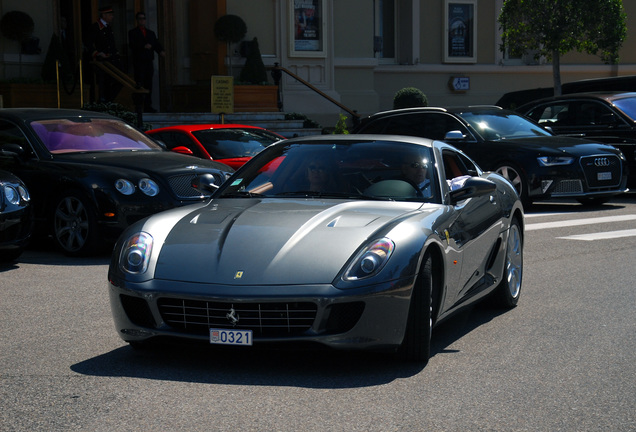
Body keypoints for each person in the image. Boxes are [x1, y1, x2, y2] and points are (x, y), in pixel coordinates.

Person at [128, 11, 165, 113]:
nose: (142, 20)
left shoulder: (150, 33)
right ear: (137, 20)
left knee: (149, 84)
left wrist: (161, 51)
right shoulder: (133, 32)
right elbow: (132, 45)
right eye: (140, 18)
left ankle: (148, 106)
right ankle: (138, 106)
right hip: (139, 62)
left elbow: (155, 43)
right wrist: (143, 46)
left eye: (143, 18)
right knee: (139, 84)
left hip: (148, 61)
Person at [86, 5, 123, 102]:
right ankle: (104, 101)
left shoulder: (108, 28)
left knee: (119, 81)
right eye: (110, 15)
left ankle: (108, 101)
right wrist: (97, 53)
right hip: (102, 62)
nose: (112, 17)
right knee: (104, 82)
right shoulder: (96, 27)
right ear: (104, 15)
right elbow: (88, 43)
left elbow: (111, 45)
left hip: (111, 60)